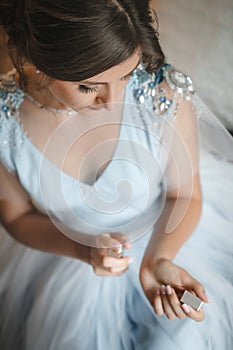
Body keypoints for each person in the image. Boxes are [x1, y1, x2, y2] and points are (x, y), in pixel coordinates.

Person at [0, 0, 232, 349]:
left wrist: (159, 258)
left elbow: (184, 195)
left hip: (166, 233)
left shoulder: (160, 95)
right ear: (41, 61)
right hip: (67, 260)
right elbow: (17, 217)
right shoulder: (6, 122)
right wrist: (84, 249)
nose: (112, 101)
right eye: (89, 87)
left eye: (125, 75)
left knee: (184, 336)